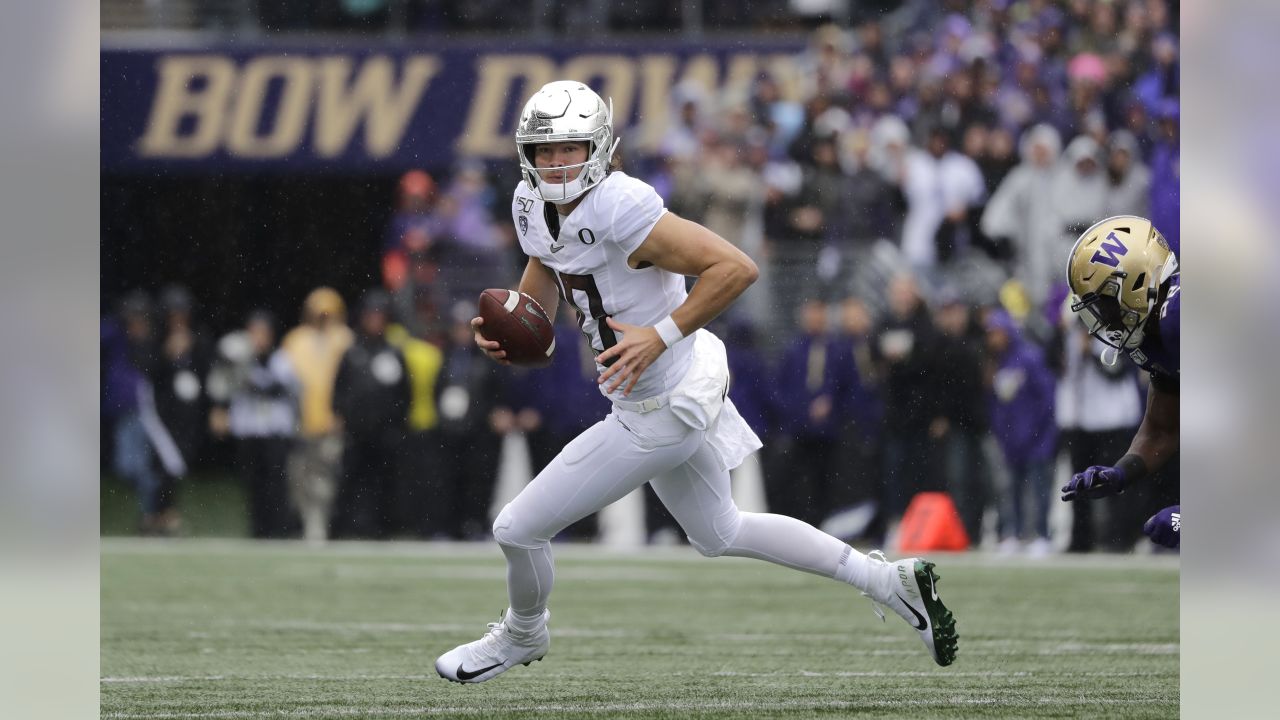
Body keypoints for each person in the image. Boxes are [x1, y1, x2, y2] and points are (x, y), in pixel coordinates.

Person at [435, 81, 959, 684]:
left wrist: (660, 332)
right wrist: (516, 325)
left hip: (659, 404)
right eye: (545, 150)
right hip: (656, 390)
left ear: (600, 147)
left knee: (516, 528)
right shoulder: (530, 203)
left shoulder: (619, 204)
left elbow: (736, 267)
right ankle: (886, 581)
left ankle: (524, 634)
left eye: (570, 148)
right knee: (720, 530)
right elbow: (548, 271)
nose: (556, 164)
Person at [1059, 216, 1180, 549]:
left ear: (1135, 285)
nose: (1101, 318)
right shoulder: (1156, 336)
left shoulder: (1180, 317)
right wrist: (1120, 474)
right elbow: (1162, 430)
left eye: (1104, 303)